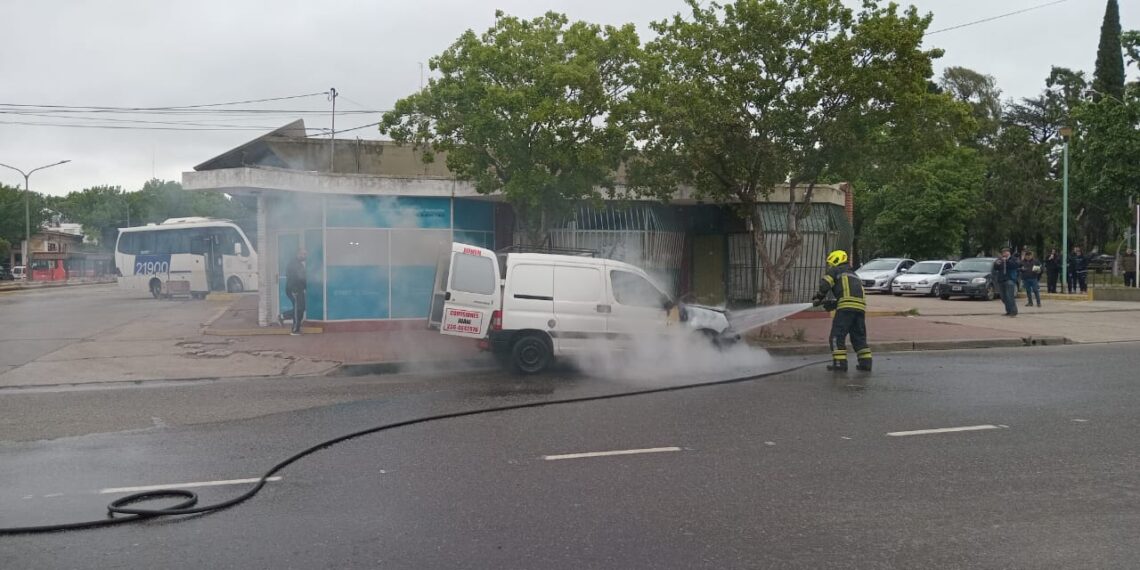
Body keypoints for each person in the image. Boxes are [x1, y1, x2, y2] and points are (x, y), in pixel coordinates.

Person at [812, 250, 871, 372]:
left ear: (836, 260)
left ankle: (840, 364)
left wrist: (819, 297)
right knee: (859, 337)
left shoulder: (836, 271)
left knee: (836, 336)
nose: (830, 266)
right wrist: (833, 304)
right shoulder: (854, 275)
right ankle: (866, 363)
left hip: (845, 309)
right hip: (860, 309)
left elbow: (825, 285)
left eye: (831, 263)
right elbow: (848, 294)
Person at [279, 248, 308, 335]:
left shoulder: (299, 264)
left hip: (299, 289)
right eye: (303, 254)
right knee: (297, 309)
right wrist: (294, 289)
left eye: (305, 254)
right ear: (298, 254)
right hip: (294, 290)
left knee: (301, 309)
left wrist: (304, 288)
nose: (304, 256)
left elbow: (302, 278)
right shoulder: (293, 264)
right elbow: (291, 278)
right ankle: (295, 330)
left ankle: (283, 316)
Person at [994, 247, 1020, 317]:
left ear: (1009, 253)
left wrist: (1007, 261)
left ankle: (1013, 311)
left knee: (1009, 296)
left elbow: (1015, 265)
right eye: (1003, 252)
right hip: (1001, 279)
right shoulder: (1000, 260)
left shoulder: (1013, 259)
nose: (1004, 254)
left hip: (1010, 279)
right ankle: (1008, 311)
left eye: (1006, 252)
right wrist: (997, 263)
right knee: (1003, 297)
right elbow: (995, 267)